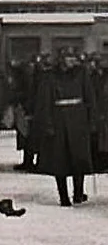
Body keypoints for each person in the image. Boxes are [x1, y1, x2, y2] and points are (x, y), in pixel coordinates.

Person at [33, 49, 97, 207]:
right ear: (61, 59)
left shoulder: (81, 74)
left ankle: (78, 193)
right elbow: (45, 101)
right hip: (58, 121)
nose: (71, 60)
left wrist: (92, 120)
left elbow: (90, 97)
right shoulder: (50, 76)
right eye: (68, 57)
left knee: (79, 158)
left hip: (78, 120)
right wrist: (48, 123)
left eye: (73, 57)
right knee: (59, 160)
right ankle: (63, 196)